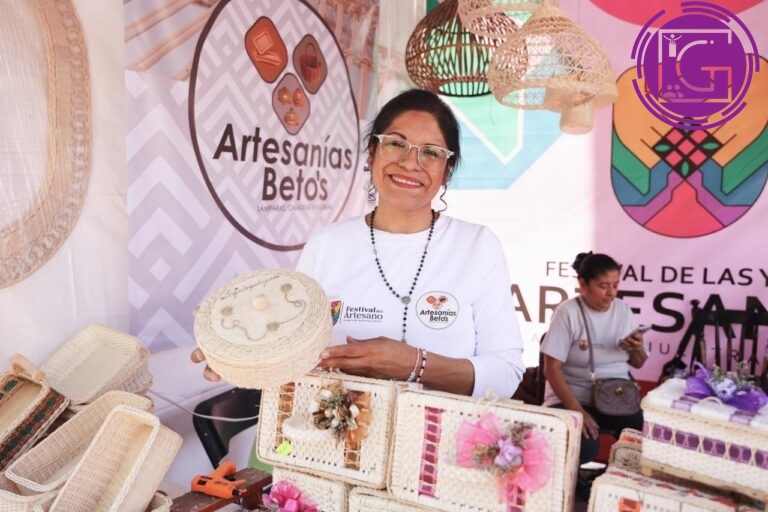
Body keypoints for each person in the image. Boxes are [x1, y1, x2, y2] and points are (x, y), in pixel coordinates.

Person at [193, 88, 524, 399]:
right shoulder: (327, 245)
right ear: (371, 154)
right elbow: (292, 350)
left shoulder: (477, 245)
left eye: (432, 153)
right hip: (333, 444)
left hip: (437, 444)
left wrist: (414, 365)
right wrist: (238, 354)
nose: (411, 163)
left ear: (447, 171)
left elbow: (506, 374)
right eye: (396, 144)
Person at [540, 252, 647, 465]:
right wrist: (578, 412)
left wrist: (637, 348)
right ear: (583, 284)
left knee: (644, 438)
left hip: (616, 396)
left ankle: (621, 485)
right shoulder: (568, 312)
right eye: (603, 286)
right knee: (584, 447)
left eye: (615, 285)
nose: (611, 293)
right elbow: (551, 369)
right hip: (573, 396)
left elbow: (639, 362)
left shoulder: (623, 310)